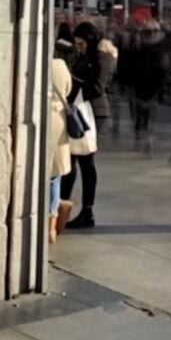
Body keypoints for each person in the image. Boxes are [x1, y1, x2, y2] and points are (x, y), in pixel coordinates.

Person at [60, 23, 113, 229]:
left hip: (92, 112)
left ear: (90, 41)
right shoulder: (83, 56)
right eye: (77, 44)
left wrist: (77, 82)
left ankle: (87, 210)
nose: (78, 47)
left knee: (85, 160)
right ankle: (63, 206)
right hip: (78, 110)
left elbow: (98, 87)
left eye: (81, 43)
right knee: (71, 159)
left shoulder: (102, 57)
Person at [46, 46, 76, 240]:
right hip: (57, 119)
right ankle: (51, 226)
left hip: (39, 115)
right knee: (54, 176)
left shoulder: (36, 62)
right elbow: (68, 89)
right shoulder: (60, 65)